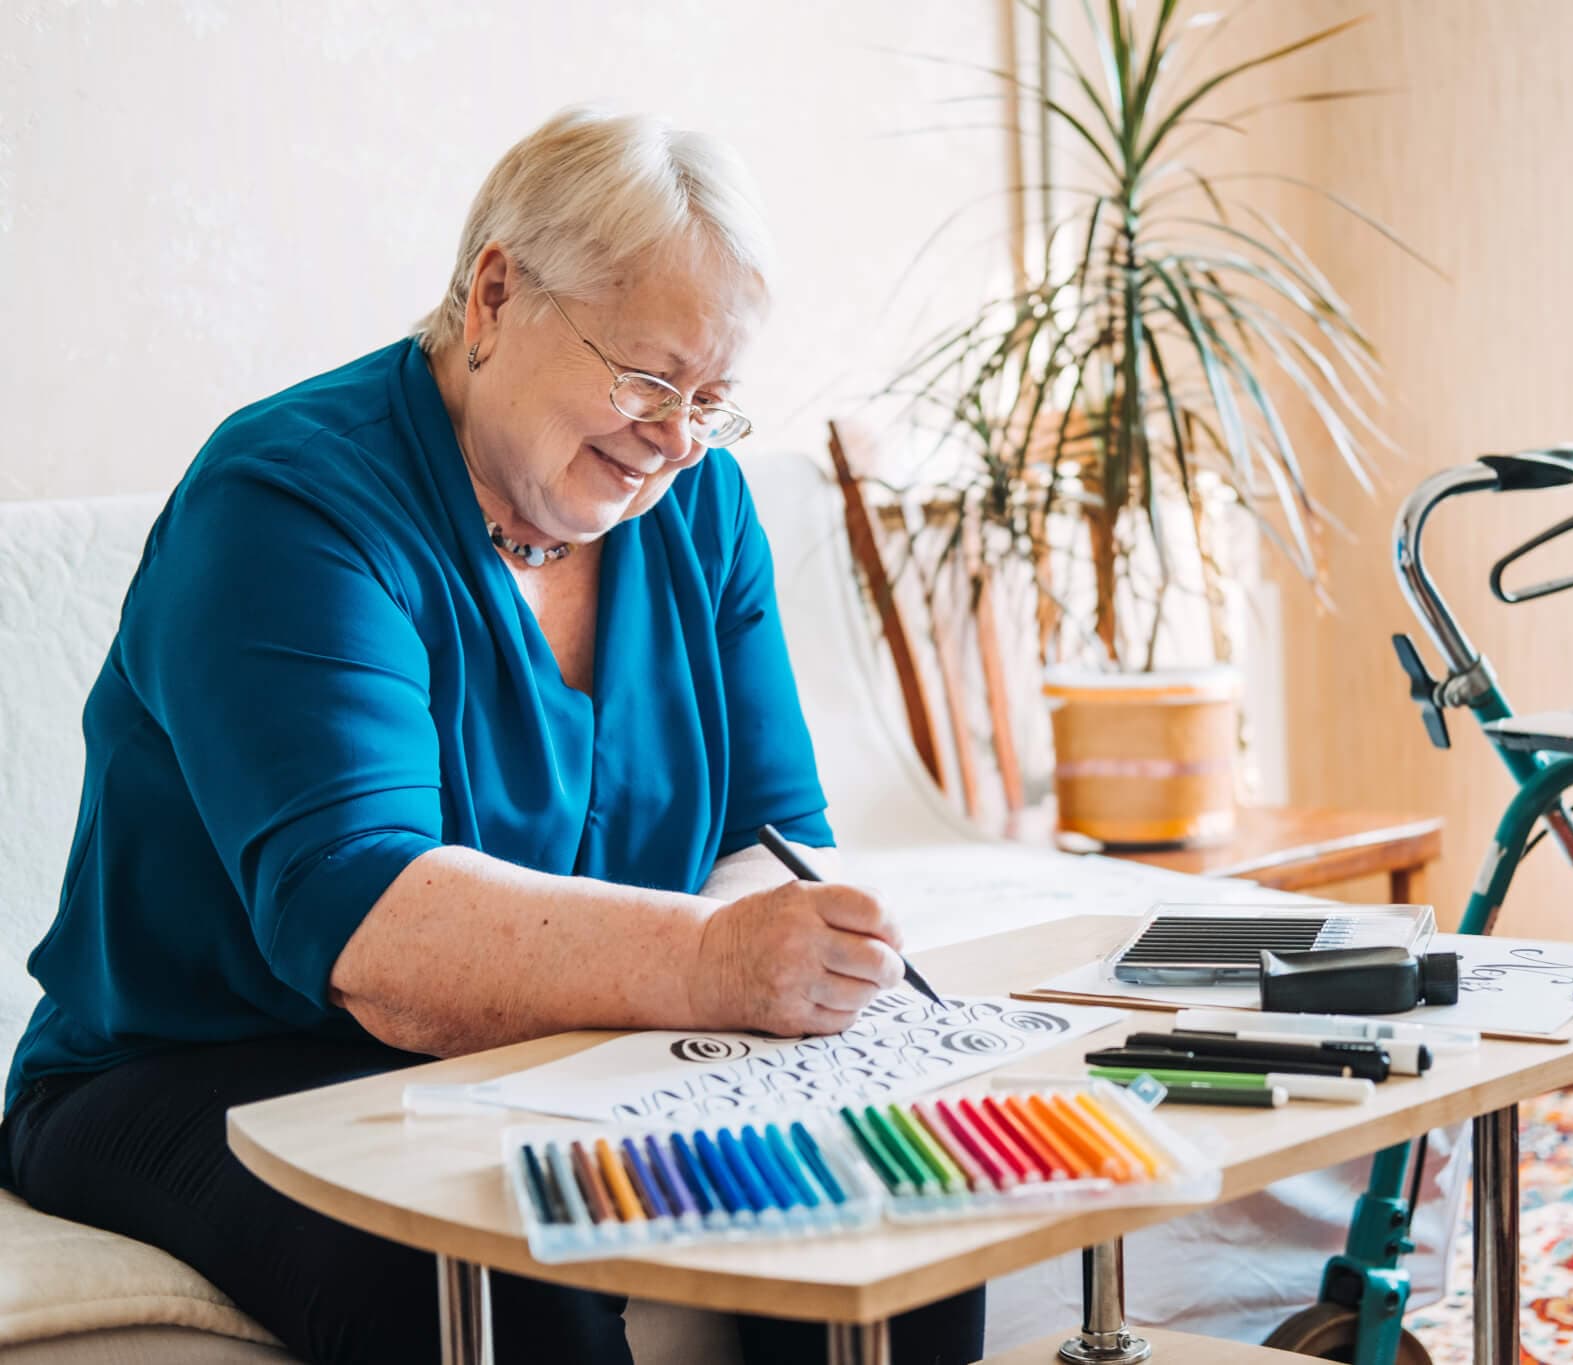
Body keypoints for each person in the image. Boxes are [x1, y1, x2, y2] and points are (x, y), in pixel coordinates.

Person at [0, 105, 983, 1365]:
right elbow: (372, 937)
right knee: (509, 1282)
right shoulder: (289, 502)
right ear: (494, 295)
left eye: (713, 400)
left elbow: (768, 839)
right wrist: (712, 965)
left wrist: (797, 960)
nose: (676, 439)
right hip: (206, 1067)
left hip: (570, 1055)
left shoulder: (701, 511)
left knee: (891, 1207)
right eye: (646, 378)